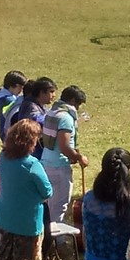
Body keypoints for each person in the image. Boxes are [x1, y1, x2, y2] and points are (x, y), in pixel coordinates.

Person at [0, 120, 52, 260]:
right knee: (25, 256)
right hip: (27, 219)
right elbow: (47, 191)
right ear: (29, 141)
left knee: (6, 252)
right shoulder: (32, 164)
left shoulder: (3, 157)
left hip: (5, 215)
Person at [40, 85, 90, 224]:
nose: (78, 108)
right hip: (59, 167)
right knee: (59, 205)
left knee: (49, 204)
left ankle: (48, 236)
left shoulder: (51, 112)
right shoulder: (66, 118)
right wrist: (79, 157)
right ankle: (58, 239)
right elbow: (64, 146)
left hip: (46, 162)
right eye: (78, 104)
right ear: (73, 101)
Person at [5, 77, 56, 145]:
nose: (54, 95)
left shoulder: (40, 104)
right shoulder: (30, 106)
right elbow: (39, 121)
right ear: (41, 92)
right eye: (51, 92)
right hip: (30, 148)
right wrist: (56, 119)